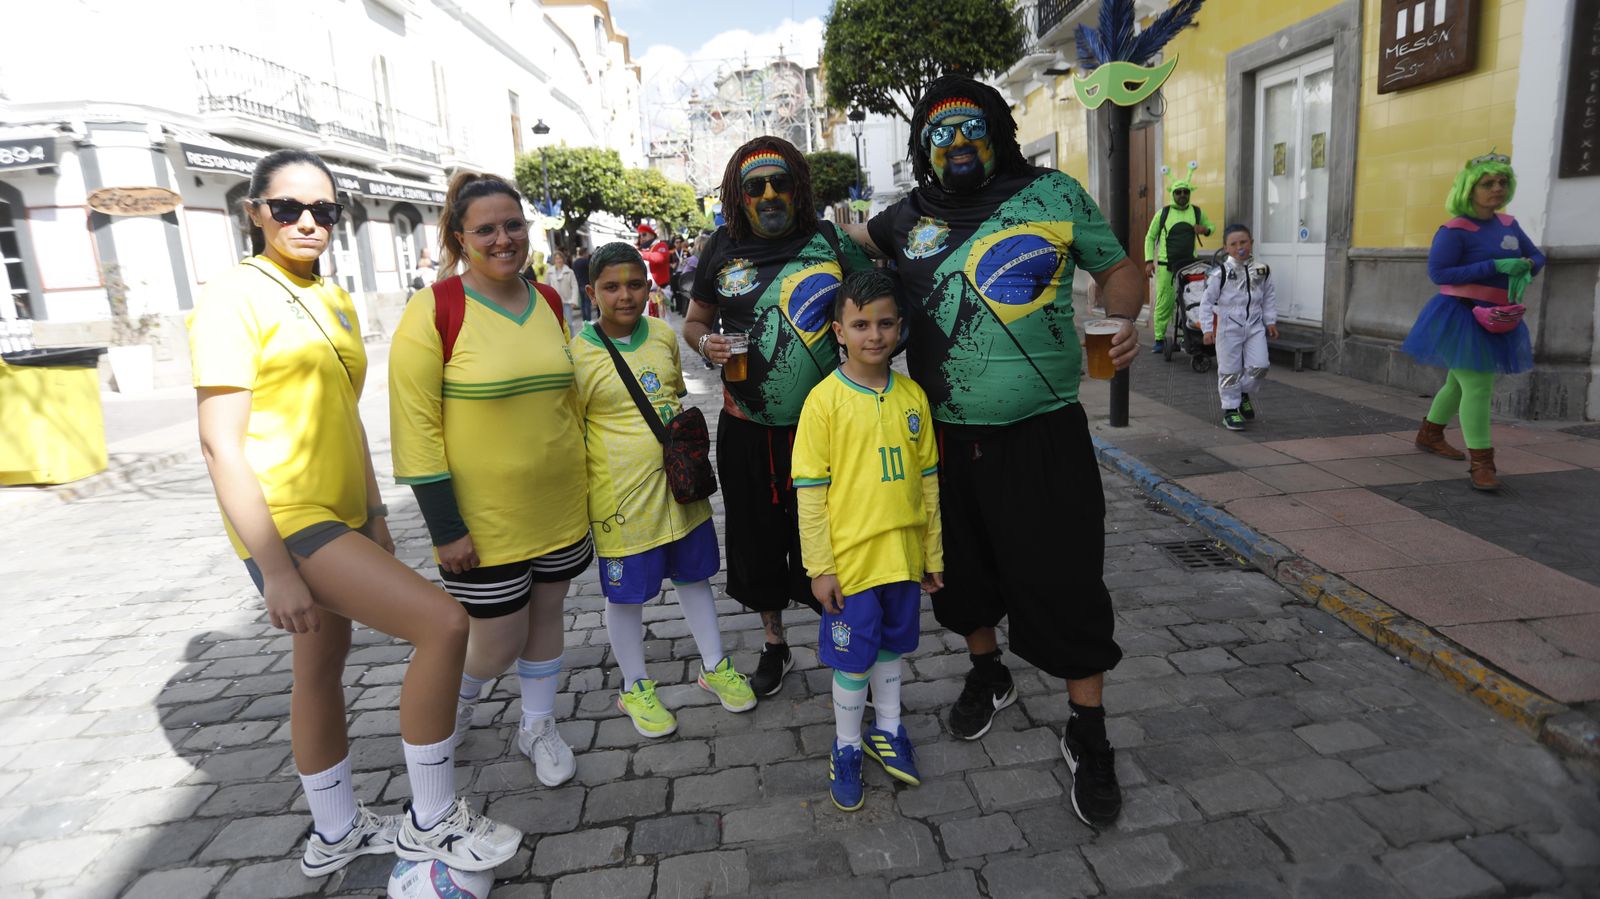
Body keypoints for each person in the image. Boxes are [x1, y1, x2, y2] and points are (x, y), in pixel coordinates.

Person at [189, 149, 521, 877]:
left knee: (320, 665)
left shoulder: (331, 297)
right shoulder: (232, 295)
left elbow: (344, 413)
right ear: (254, 212)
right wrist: (274, 568)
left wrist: (374, 514)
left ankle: (336, 831)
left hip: (338, 510)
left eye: (325, 211)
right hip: (284, 514)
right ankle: (432, 819)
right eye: (288, 208)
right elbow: (219, 443)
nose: (308, 222)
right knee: (442, 621)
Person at [843, 75, 1144, 828]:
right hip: (941, 440)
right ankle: (989, 672)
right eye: (937, 135)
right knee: (960, 574)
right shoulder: (904, 221)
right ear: (920, 149)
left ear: (999, 132)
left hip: (1044, 432)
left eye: (970, 128)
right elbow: (842, 256)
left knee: (1066, 580)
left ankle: (1089, 732)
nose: (955, 145)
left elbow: (1118, 268)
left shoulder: (1053, 195)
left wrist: (1123, 314)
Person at [389, 172, 591, 788]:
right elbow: (415, 427)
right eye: (486, 229)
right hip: (483, 521)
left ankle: (537, 725)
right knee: (496, 642)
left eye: (513, 225)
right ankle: (454, 707)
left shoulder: (550, 303)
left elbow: (568, 403)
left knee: (548, 616)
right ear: (458, 237)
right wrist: (446, 529)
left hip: (558, 504)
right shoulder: (436, 309)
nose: (503, 239)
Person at [681, 136, 875, 697]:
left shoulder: (829, 239)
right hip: (746, 427)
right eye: (755, 186)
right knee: (757, 538)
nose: (768, 194)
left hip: (827, 428)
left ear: (799, 189)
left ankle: (842, 635)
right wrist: (706, 345)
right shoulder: (722, 245)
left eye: (780, 183)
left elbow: (881, 304)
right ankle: (774, 644)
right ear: (738, 197)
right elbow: (695, 321)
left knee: (833, 533)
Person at [572, 242, 756, 738]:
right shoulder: (577, 354)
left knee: (694, 577)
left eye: (635, 284)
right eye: (611, 287)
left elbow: (672, 392)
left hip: (680, 487)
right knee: (626, 594)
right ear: (592, 293)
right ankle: (635, 685)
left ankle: (714, 666)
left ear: (649, 287)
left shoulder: (661, 334)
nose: (625, 295)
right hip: (621, 500)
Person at [793, 270, 942, 812]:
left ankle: (890, 729)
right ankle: (848, 745)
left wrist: (933, 552)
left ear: (900, 327)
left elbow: (928, 482)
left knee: (891, 648)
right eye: (860, 324)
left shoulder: (912, 397)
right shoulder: (823, 402)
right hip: (851, 564)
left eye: (884, 323)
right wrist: (820, 567)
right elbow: (809, 493)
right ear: (839, 330)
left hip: (902, 558)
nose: (873, 335)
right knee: (853, 660)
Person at [1401, 152, 1542, 491]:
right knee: (1477, 385)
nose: (1497, 188)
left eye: (1502, 182)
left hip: (1496, 317)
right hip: (1458, 315)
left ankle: (1430, 434)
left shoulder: (1508, 225)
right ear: (1469, 188)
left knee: (1458, 383)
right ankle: (1483, 462)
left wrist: (1526, 266)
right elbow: (1439, 273)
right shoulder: (1453, 230)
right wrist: (1495, 266)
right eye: (1487, 182)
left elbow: (1537, 255)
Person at [1200, 224, 1279, 431]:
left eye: (1243, 242)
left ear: (1251, 242)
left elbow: (1268, 296)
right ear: (1226, 248)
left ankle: (1242, 392)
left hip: (1254, 325)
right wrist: (1207, 328)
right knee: (1229, 370)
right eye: (1233, 244)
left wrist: (1270, 321)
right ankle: (1231, 410)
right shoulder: (1220, 274)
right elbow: (1206, 302)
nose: (1239, 247)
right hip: (1228, 326)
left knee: (1260, 366)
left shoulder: (1262, 270)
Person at [1144, 173, 1213, 354]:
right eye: (1178, 192)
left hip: (1190, 267)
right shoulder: (1163, 213)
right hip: (1167, 266)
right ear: (1172, 194)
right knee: (1164, 302)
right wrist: (1149, 261)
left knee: (1191, 301)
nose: (1182, 195)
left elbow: (1210, 227)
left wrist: (1204, 230)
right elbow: (1150, 237)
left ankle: (1189, 335)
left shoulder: (1197, 212)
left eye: (1185, 192)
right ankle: (1159, 339)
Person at [637, 223, 672, 315]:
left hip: (661, 292)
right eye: (640, 236)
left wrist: (640, 254)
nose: (641, 238)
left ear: (652, 235)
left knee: (663, 322)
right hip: (646, 294)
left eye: (644, 234)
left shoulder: (661, 245)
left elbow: (660, 258)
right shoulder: (643, 250)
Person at [548, 250, 580, 335]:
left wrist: (574, 300)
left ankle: (572, 342)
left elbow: (574, 286)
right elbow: (546, 286)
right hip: (555, 302)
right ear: (554, 260)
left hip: (567, 302)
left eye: (560, 258)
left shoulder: (569, 271)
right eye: (556, 259)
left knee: (569, 323)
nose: (558, 260)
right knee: (558, 324)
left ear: (563, 259)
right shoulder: (549, 272)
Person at [573, 244, 593, 323]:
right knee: (587, 303)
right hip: (586, 284)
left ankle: (584, 319)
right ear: (584, 253)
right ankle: (589, 320)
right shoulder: (586, 262)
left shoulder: (575, 262)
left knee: (583, 303)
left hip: (579, 284)